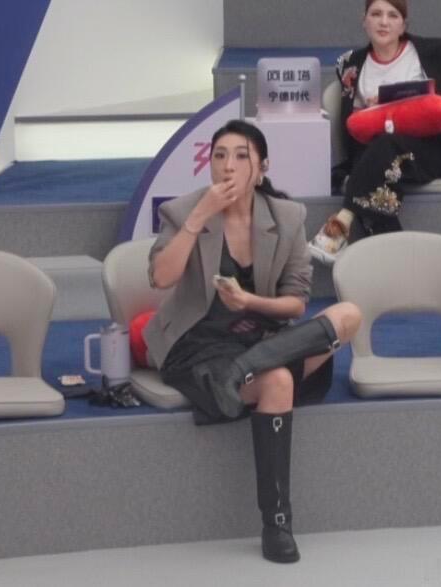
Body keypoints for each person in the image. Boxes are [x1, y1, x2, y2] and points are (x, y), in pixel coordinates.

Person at [143, 120, 361, 563]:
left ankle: (246, 369)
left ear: (261, 168)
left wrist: (250, 301)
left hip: (262, 338)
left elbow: (296, 302)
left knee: (349, 315)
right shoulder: (183, 211)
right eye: (219, 155)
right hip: (199, 345)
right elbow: (160, 278)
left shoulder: (287, 216)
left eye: (241, 156)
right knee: (278, 380)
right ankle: (277, 524)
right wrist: (199, 217)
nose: (228, 166)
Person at [309, 0, 441, 265]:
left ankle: (343, 220)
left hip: (427, 151)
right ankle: (402, 263)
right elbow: (353, 123)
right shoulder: (352, 64)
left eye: (393, 15)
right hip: (375, 150)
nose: (384, 22)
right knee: (381, 151)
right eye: (376, 14)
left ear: (403, 25)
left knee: (384, 148)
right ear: (364, 21)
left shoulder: (432, 53)